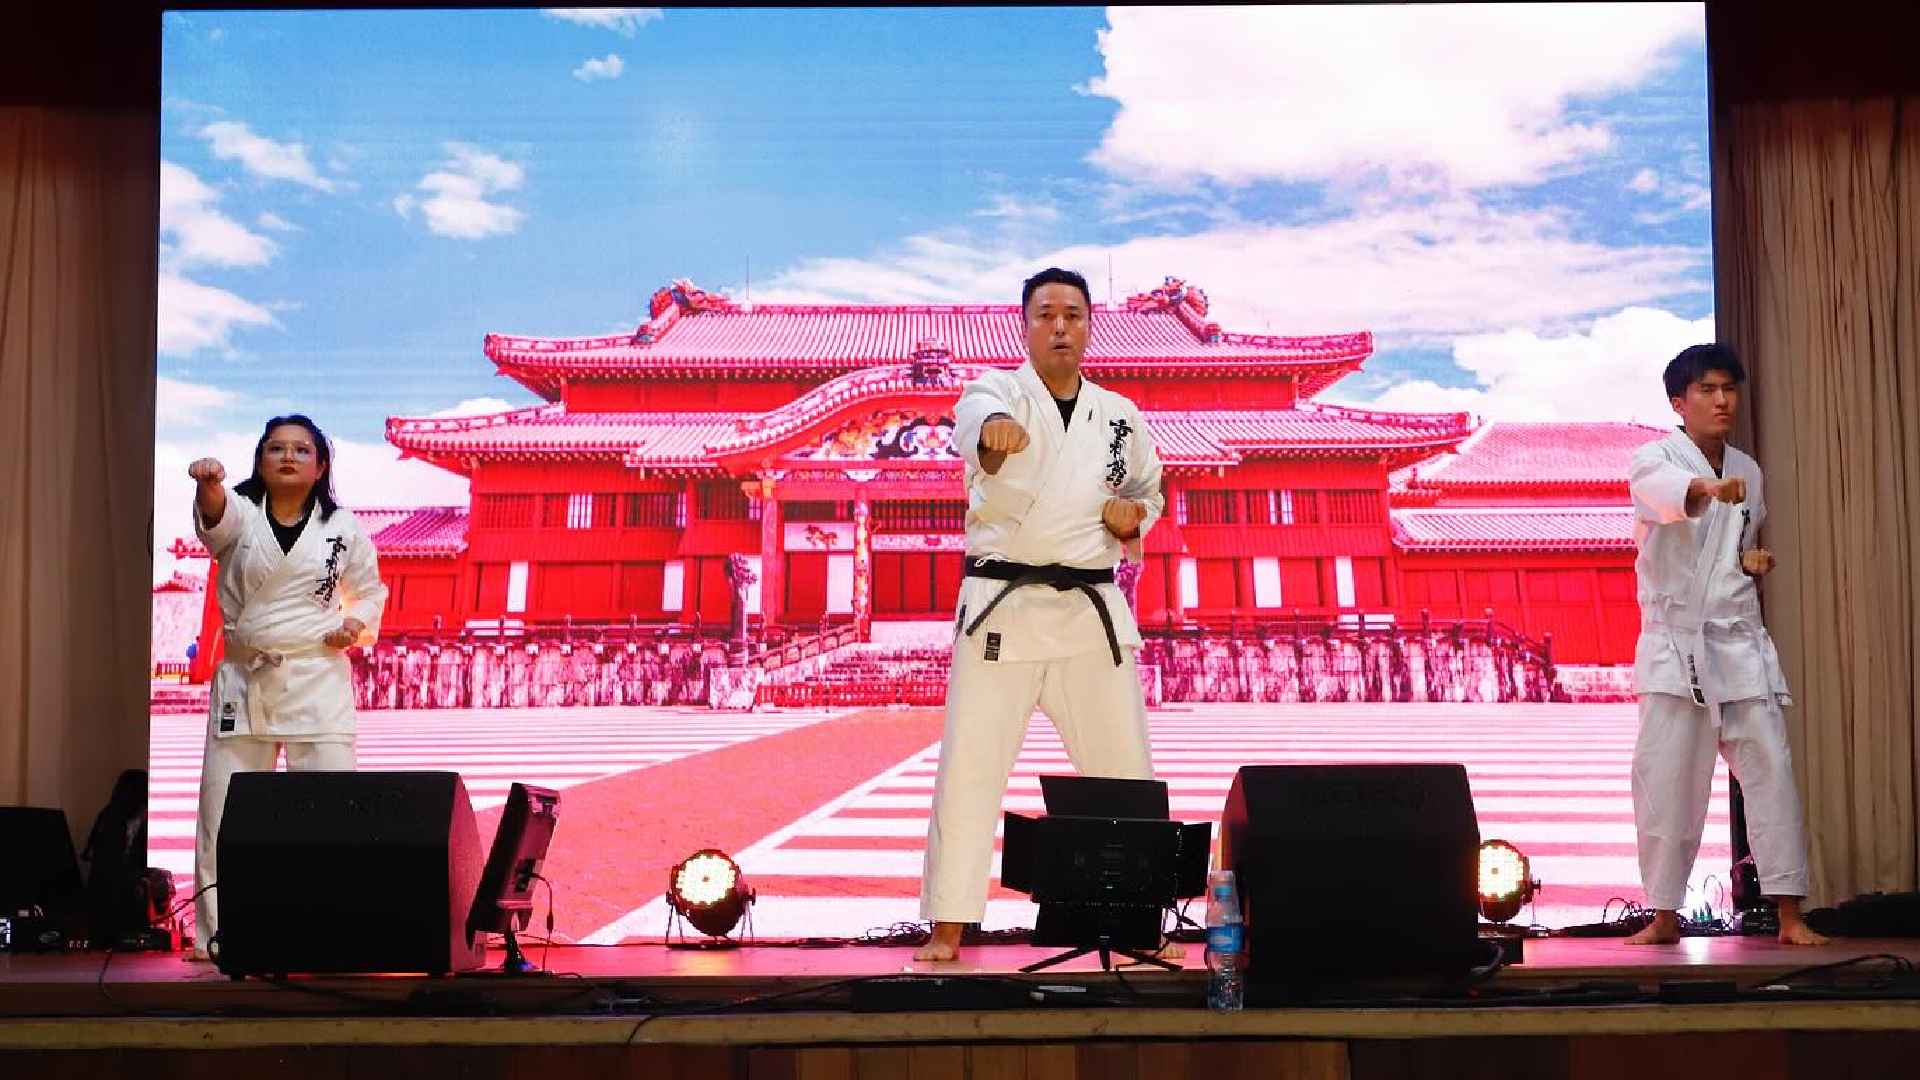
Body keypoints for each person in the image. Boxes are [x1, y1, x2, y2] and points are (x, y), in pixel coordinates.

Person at [914, 268, 1165, 962]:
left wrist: (1134, 514)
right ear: (1023, 325)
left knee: (1126, 771)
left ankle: (1142, 922)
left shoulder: (1120, 416)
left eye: (1074, 315)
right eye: (1046, 313)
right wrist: (993, 434)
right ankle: (949, 921)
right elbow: (975, 425)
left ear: (1090, 326)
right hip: (1004, 609)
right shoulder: (995, 392)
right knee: (970, 766)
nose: (1060, 326)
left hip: (1090, 612)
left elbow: (1150, 489)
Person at [1625, 344, 1827, 946]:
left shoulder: (1748, 466)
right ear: (1678, 402)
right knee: (1668, 781)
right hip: (1677, 649)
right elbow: (1670, 497)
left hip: (1738, 641)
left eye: (1729, 390)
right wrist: (1707, 490)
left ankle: (1791, 914)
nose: (1721, 401)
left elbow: (1729, 554)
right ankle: (1664, 915)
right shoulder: (1652, 458)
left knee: (1772, 775)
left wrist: (1751, 561)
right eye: (1708, 390)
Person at [188, 414, 388, 957]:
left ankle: (329, 932)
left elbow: (369, 590)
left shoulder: (343, 526)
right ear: (259, 461)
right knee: (221, 814)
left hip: (316, 674)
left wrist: (356, 623)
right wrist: (209, 485)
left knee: (331, 811)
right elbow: (215, 523)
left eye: (302, 450)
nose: (288, 456)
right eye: (276, 448)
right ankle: (219, 937)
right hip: (245, 676)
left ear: (321, 465)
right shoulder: (240, 513)